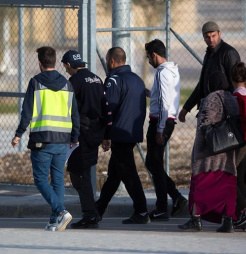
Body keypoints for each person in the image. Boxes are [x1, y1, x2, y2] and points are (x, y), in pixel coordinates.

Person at [11, 46, 80, 231]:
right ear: (55, 62)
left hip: (42, 140)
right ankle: (54, 220)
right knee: (57, 180)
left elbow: (26, 112)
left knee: (40, 180)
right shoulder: (67, 83)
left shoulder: (35, 82)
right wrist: (75, 136)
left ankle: (60, 210)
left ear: (40, 63)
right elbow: (75, 113)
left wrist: (18, 133)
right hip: (63, 140)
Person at [178, 71, 238, 233]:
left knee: (200, 186)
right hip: (227, 155)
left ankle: (195, 219)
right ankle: (228, 221)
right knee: (227, 188)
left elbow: (205, 123)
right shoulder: (232, 99)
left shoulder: (211, 98)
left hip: (207, 155)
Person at [96, 47, 150, 224]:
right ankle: (98, 209)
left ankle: (142, 211)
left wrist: (105, 135)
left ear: (112, 61)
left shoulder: (114, 80)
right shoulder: (137, 80)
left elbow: (108, 110)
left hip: (119, 133)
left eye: (107, 60)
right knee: (115, 174)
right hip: (132, 133)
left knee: (128, 174)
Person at [61, 50, 106, 229]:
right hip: (95, 131)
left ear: (70, 65)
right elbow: (105, 107)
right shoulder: (96, 79)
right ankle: (92, 213)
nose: (66, 71)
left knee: (79, 176)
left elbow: (68, 108)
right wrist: (105, 134)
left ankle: (90, 215)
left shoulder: (74, 81)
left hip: (80, 133)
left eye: (66, 67)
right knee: (84, 173)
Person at [144, 39, 187, 221]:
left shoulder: (162, 73)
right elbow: (162, 96)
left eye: (148, 57)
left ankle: (163, 206)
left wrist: (160, 129)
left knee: (154, 164)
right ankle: (175, 198)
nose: (148, 61)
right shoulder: (171, 71)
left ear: (154, 55)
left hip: (161, 122)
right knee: (153, 163)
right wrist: (146, 92)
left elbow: (164, 102)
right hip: (165, 120)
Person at [178, 21, 240, 123]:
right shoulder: (209, 54)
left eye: (213, 36)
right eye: (207, 37)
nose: (211, 40)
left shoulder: (229, 53)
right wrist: (186, 108)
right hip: (208, 108)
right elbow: (202, 84)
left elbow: (236, 84)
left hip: (223, 111)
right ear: (203, 38)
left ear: (219, 34)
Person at [231, 62, 246, 231]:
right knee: (241, 177)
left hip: (239, 142)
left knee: (230, 176)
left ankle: (242, 211)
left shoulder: (234, 98)